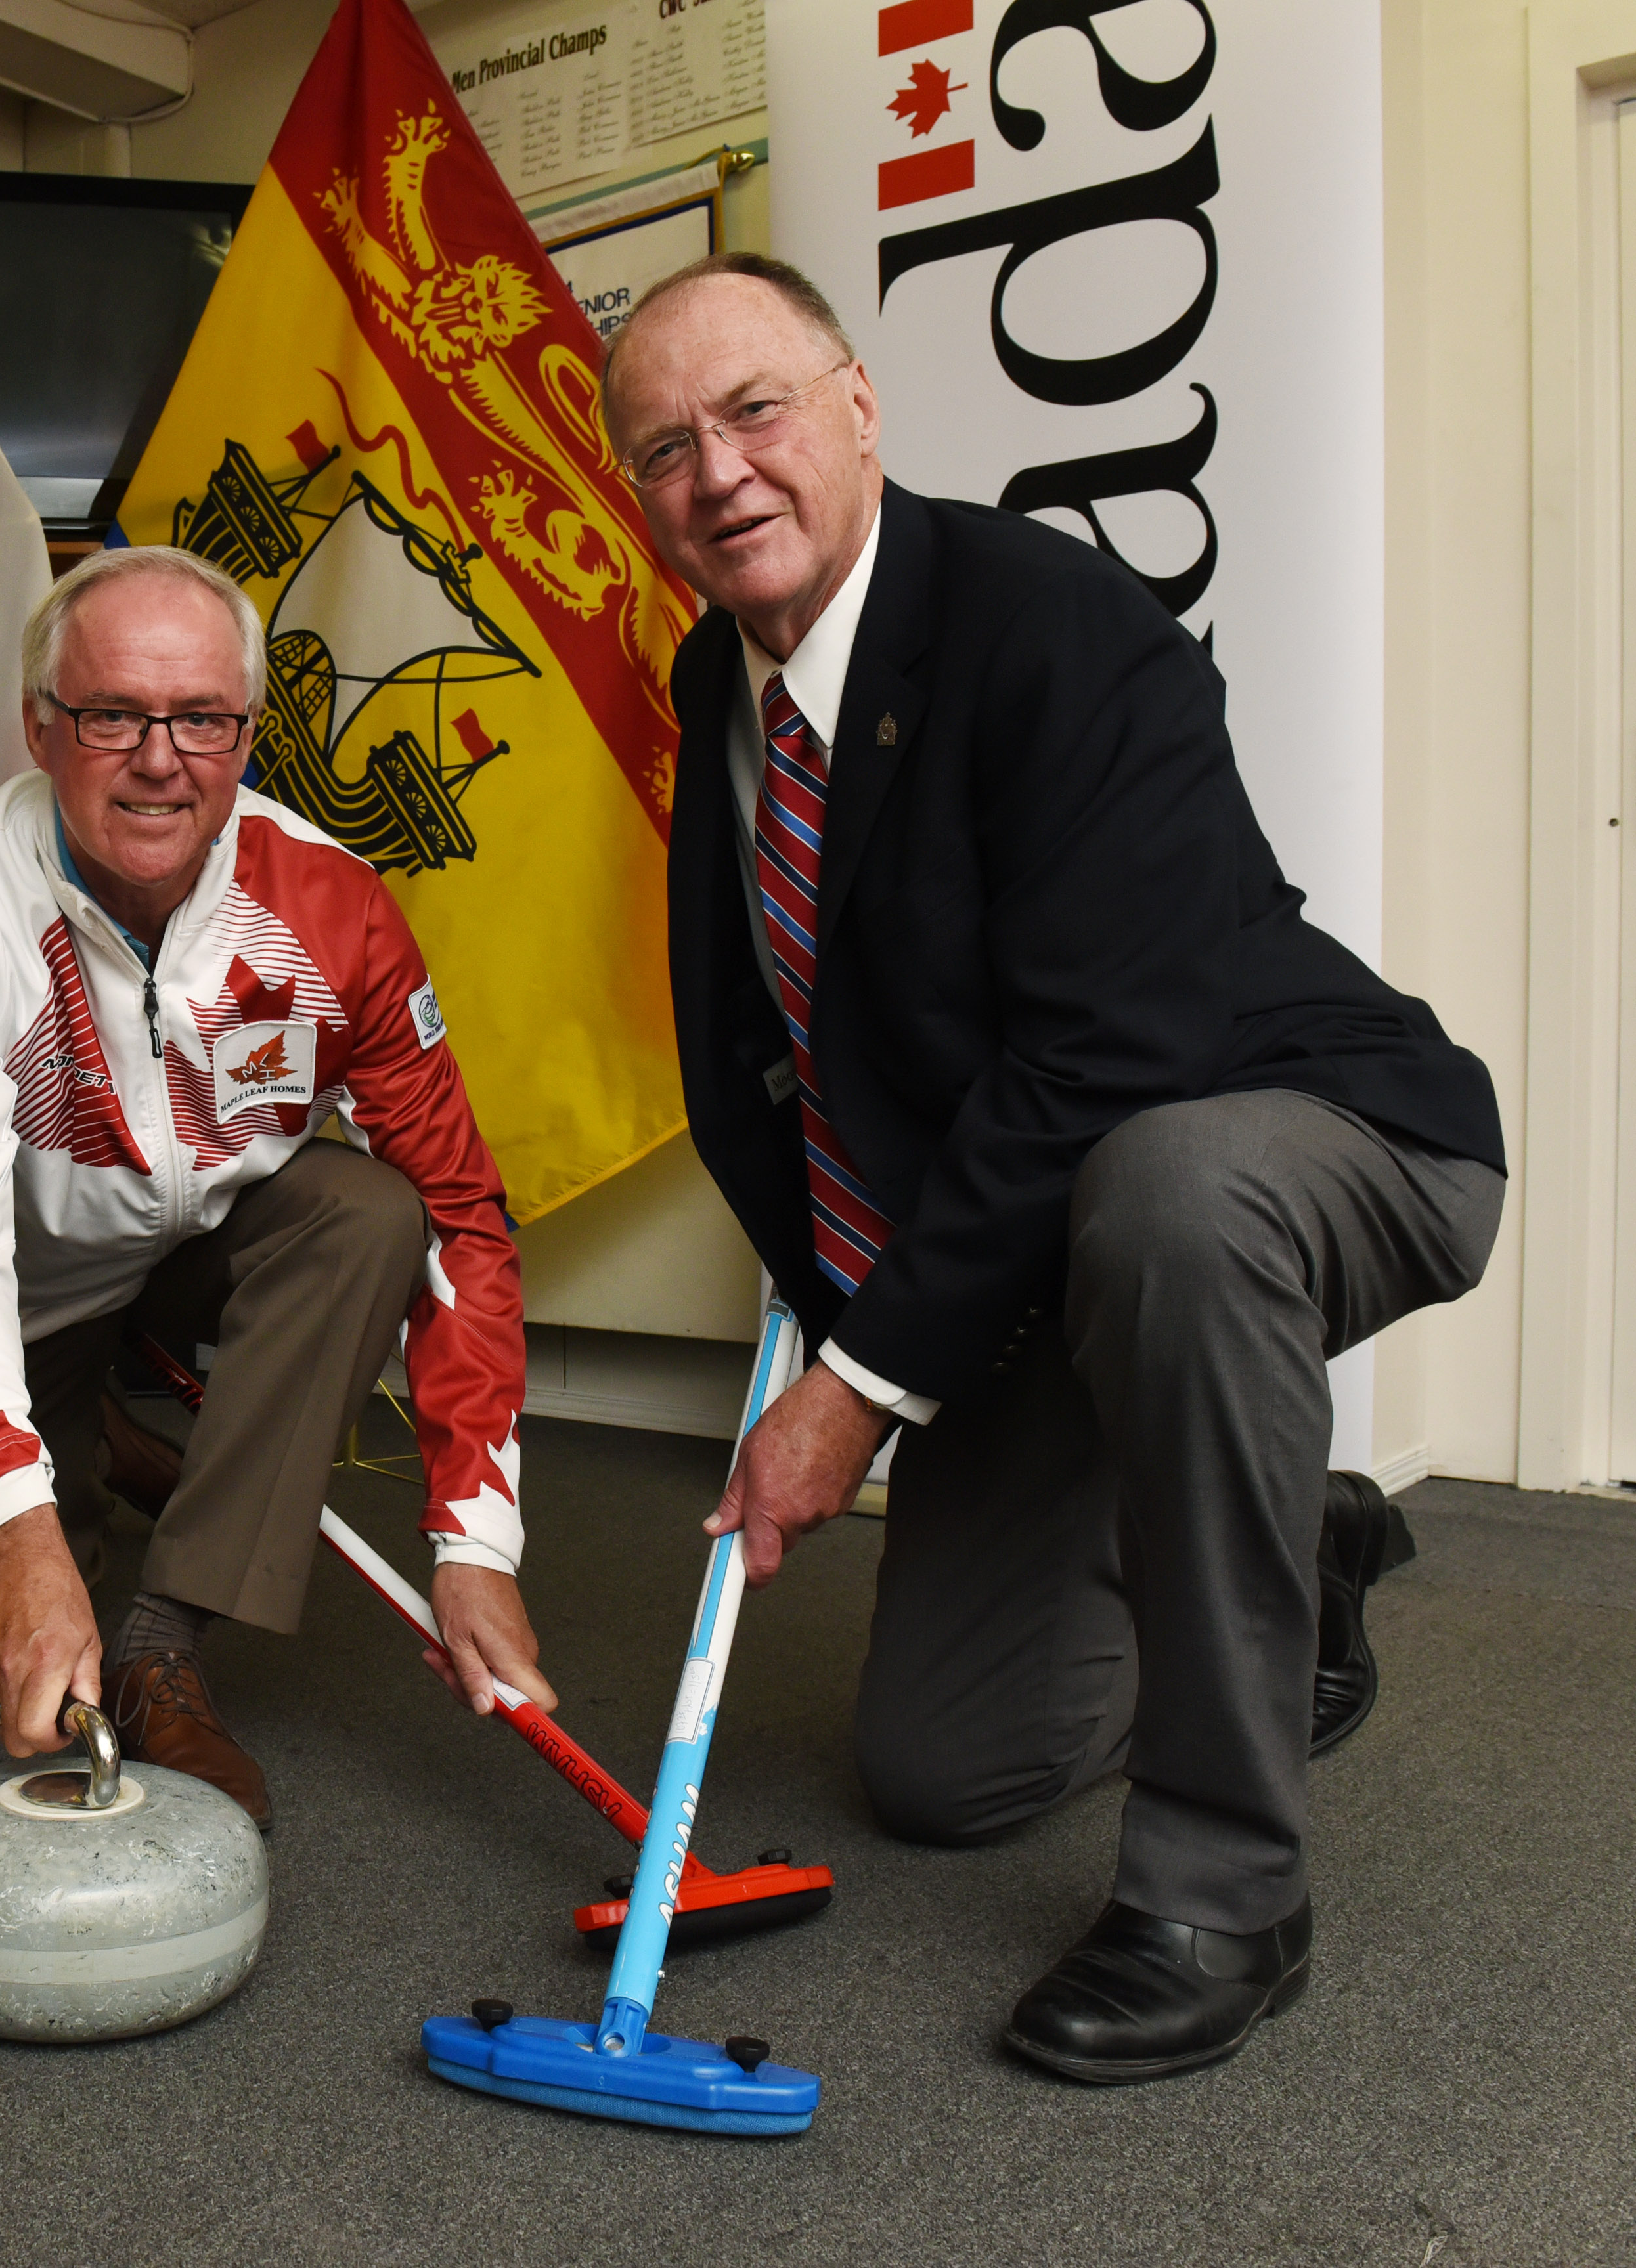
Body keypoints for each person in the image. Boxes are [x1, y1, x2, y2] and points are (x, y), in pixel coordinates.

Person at [600, 253, 1504, 2084]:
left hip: (1308, 1134)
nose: (716, 473)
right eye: (664, 445)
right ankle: (1290, 1536)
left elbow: (1105, 1053)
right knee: (947, 1771)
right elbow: (746, 1058)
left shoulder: (1052, 627)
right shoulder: (720, 679)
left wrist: (853, 1396)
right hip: (1051, 1239)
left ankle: (1225, 1894)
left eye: (753, 410)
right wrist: (848, 1309)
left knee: (1167, 1192)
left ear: (855, 403)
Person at [0, 546, 548, 1825]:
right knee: (13, 1571)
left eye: (203, 719)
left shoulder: (334, 906)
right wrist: (14, 1530)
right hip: (32, 1295)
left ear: (246, 729)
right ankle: (93, 1438)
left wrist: (475, 1539)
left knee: (370, 1210)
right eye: (114, 713)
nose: (161, 758)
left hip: (203, 1255)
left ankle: (168, 1636)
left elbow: (458, 1206)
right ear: (42, 727)